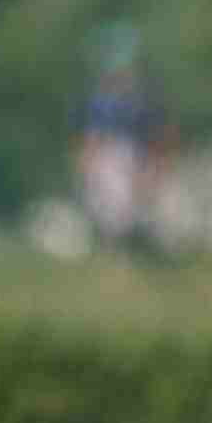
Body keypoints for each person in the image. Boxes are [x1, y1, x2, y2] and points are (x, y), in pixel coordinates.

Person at [75, 21, 166, 256]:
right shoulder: (104, 100)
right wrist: (87, 160)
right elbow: (94, 135)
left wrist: (152, 166)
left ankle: (125, 251)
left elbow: (153, 136)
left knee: (128, 209)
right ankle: (114, 252)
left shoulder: (139, 101)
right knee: (110, 209)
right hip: (111, 156)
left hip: (132, 156)